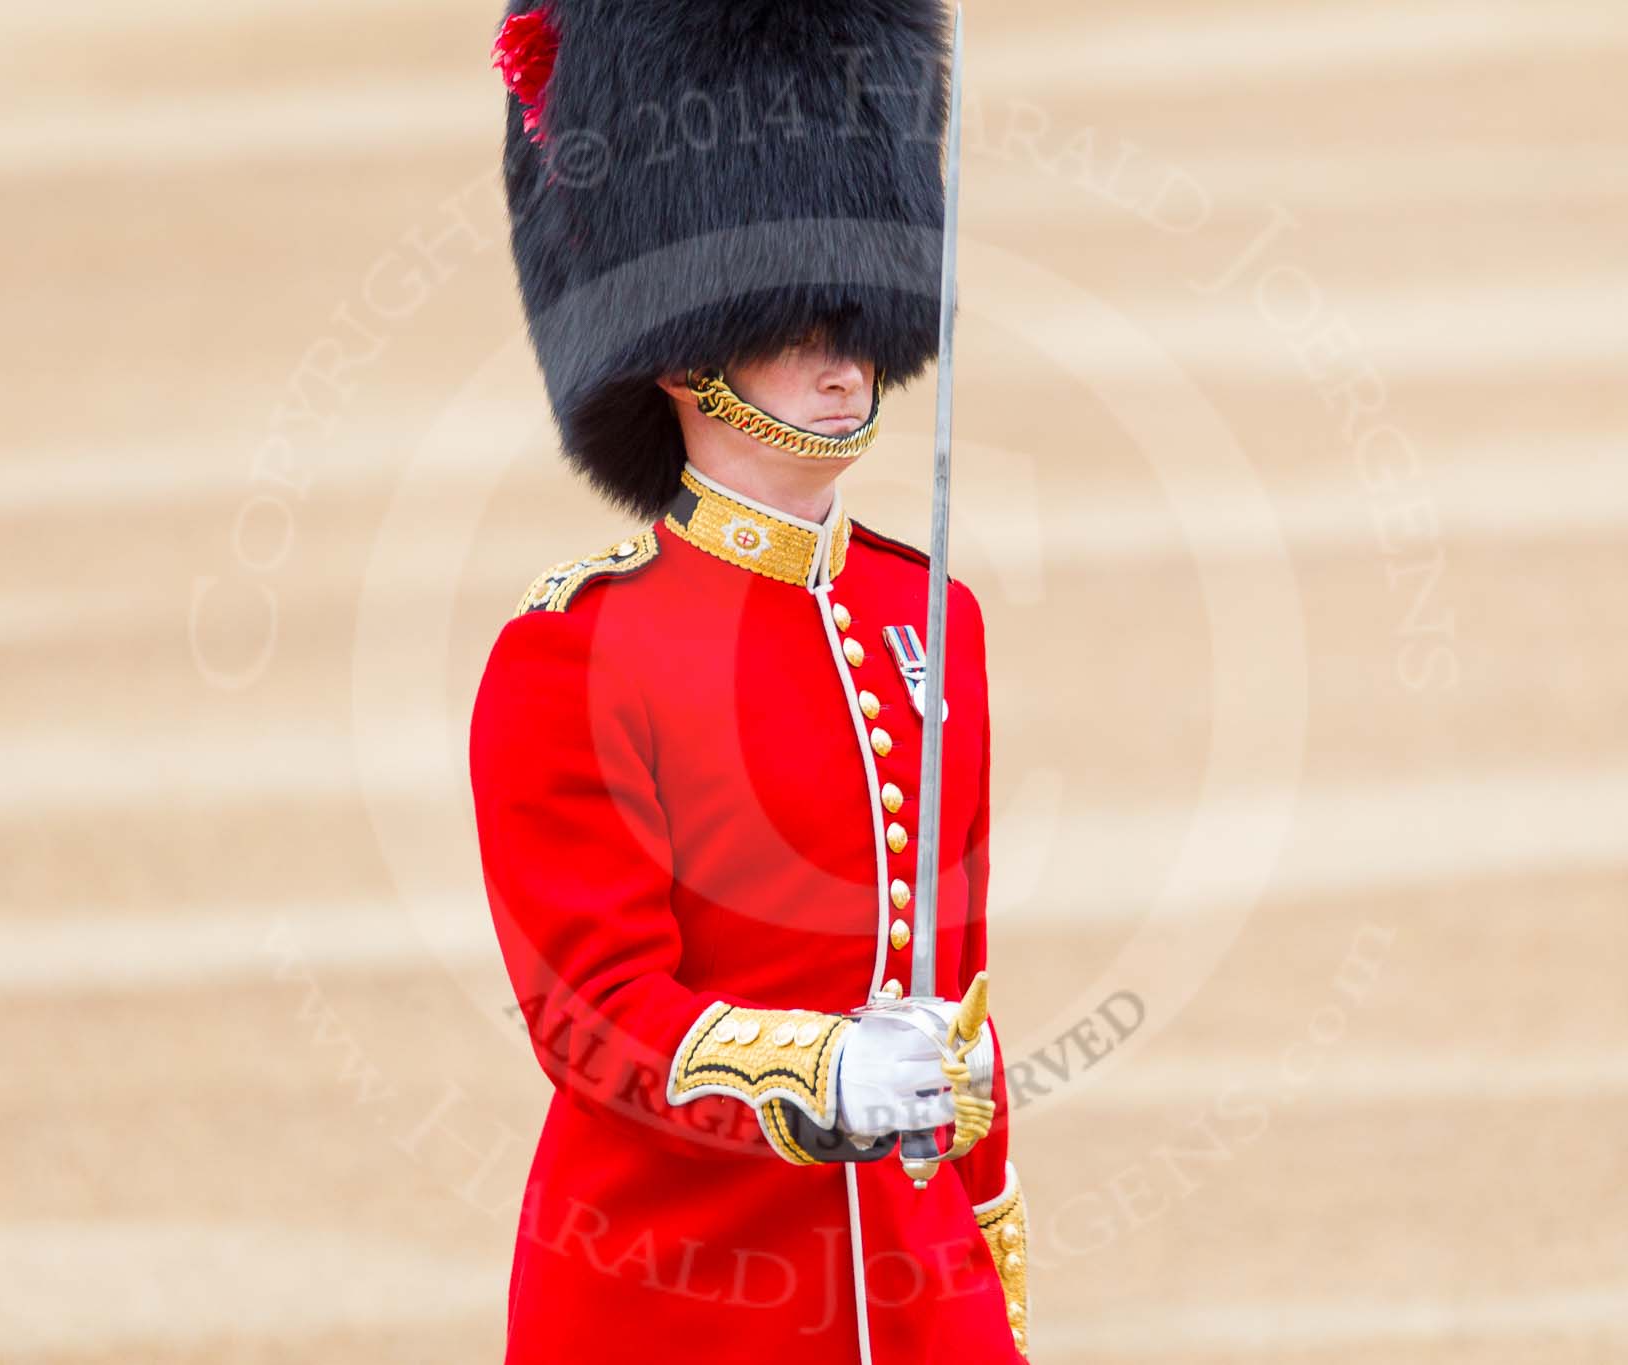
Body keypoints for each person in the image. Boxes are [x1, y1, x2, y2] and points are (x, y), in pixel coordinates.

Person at [469, 3, 1031, 1360]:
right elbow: (595, 1017)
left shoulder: (927, 613)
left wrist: (987, 1243)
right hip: (675, 1297)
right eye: (793, 324)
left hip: (913, 1290)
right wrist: (823, 1070)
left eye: (857, 313)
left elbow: (959, 995)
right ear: (683, 347)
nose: (846, 361)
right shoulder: (573, 657)